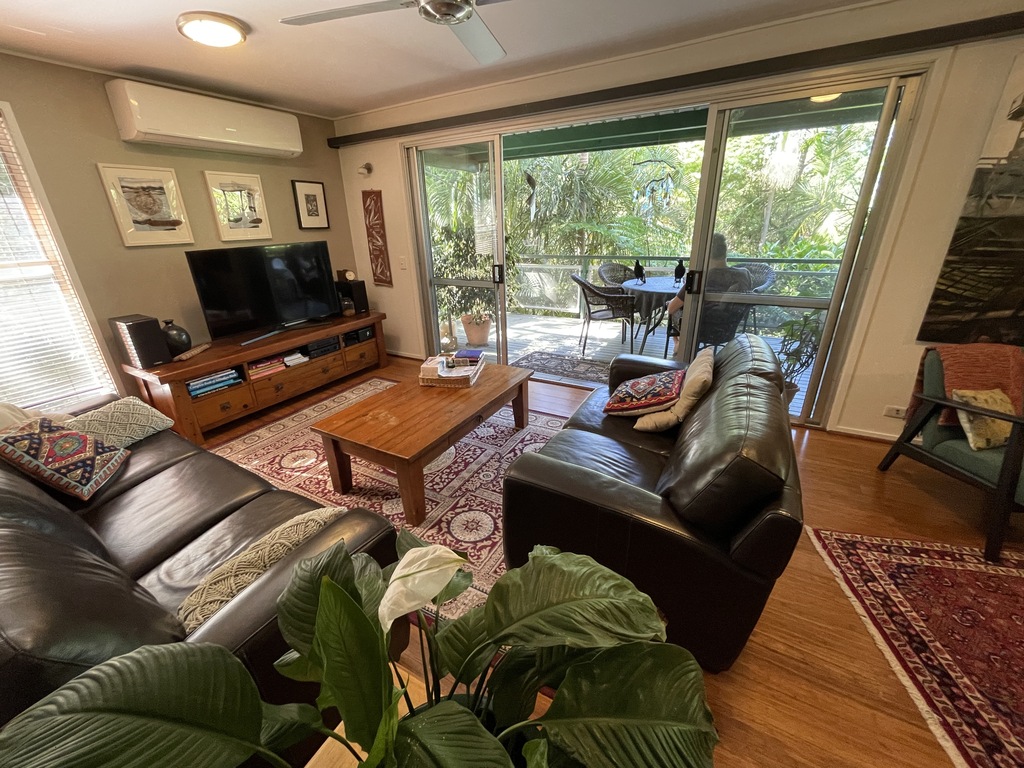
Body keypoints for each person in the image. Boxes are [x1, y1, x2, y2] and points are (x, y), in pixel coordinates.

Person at [666, 233, 752, 352]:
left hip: (698, 329)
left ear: (705, 256)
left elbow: (671, 309)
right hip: (727, 328)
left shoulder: (700, 277)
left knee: (671, 305)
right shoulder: (744, 274)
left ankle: (678, 343)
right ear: (725, 253)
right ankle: (679, 343)